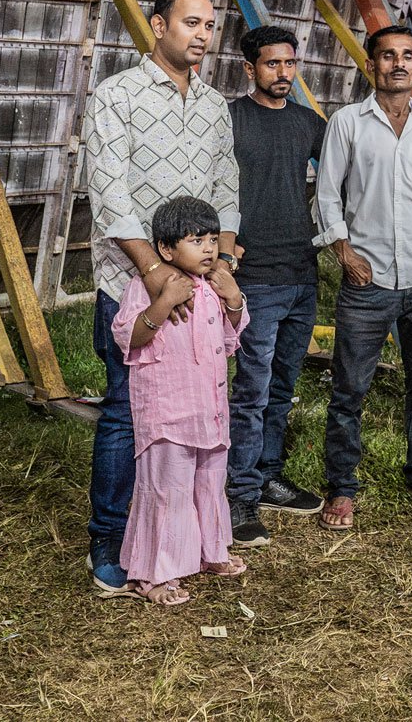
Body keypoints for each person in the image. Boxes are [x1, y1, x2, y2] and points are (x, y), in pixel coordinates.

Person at [80, 0, 240, 598]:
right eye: (191, 22)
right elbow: (110, 188)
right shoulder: (116, 94)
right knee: (126, 411)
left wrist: (221, 261)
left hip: (199, 287)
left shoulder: (213, 104)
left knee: (195, 413)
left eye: (210, 26)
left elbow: (226, 185)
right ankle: (110, 538)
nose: (202, 35)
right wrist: (153, 273)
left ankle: (191, 539)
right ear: (158, 25)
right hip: (131, 282)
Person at [314, 25, 412, 531]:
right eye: (387, 56)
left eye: (407, 56)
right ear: (371, 64)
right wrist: (344, 252)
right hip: (366, 281)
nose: (398, 64)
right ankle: (342, 488)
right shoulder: (348, 123)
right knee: (350, 388)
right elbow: (327, 194)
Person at [112, 196, 250, 606]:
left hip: (209, 410)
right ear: (166, 249)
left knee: (209, 483)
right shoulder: (145, 287)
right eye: (196, 240)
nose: (208, 249)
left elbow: (231, 339)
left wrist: (235, 298)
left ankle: (210, 552)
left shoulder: (212, 287)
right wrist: (164, 303)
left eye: (212, 239)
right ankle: (155, 574)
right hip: (168, 413)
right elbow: (128, 337)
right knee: (167, 490)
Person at [226, 25, 328, 548]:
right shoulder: (230, 119)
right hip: (254, 277)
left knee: (283, 387)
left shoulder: (309, 124)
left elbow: (340, 179)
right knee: (251, 389)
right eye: (272, 64)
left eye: (290, 64)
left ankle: (268, 477)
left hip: (301, 272)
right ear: (250, 69)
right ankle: (238, 493)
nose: (283, 73)